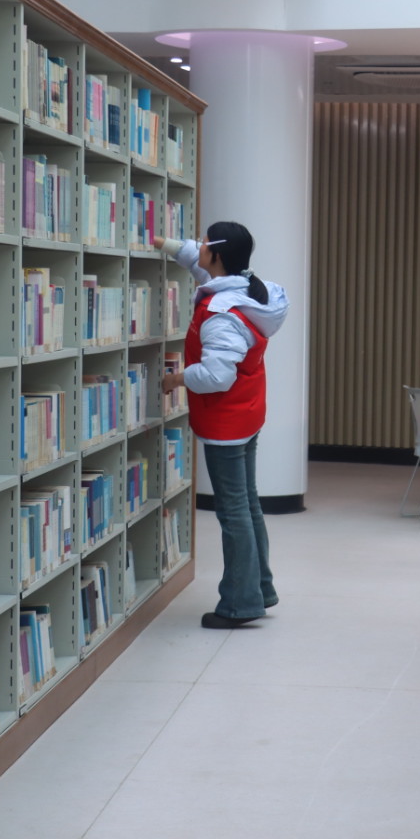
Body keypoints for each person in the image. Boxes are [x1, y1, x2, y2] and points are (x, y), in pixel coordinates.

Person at [158, 222, 290, 629]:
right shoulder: (247, 290)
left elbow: (217, 376)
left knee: (233, 511)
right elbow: (197, 265)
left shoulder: (220, 315)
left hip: (226, 422)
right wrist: (162, 243)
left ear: (216, 254)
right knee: (247, 503)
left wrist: (176, 380)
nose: (197, 246)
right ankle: (260, 588)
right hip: (246, 412)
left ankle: (240, 604)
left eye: (203, 242)